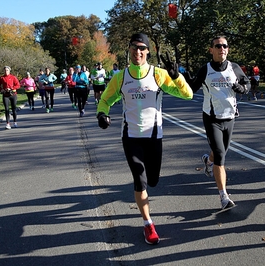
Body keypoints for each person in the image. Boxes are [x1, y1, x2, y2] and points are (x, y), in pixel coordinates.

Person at [96, 33, 193, 245]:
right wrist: (102, 114)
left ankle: (148, 199)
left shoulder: (158, 75)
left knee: (153, 180)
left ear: (148, 51)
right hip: (130, 137)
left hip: (154, 136)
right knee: (139, 179)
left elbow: (187, 95)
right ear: (128, 49)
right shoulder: (120, 77)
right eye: (133, 47)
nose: (137, 52)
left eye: (142, 48)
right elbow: (105, 100)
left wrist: (177, 77)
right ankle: (148, 223)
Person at [184, 36, 250, 211]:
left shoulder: (234, 68)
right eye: (218, 46)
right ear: (211, 49)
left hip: (230, 117)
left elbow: (247, 83)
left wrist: (243, 89)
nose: (222, 48)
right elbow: (191, 88)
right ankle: (224, 196)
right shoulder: (205, 69)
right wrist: (180, 77)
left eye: (225, 46)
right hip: (211, 118)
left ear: (228, 49)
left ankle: (208, 161)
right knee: (221, 155)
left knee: (219, 151)